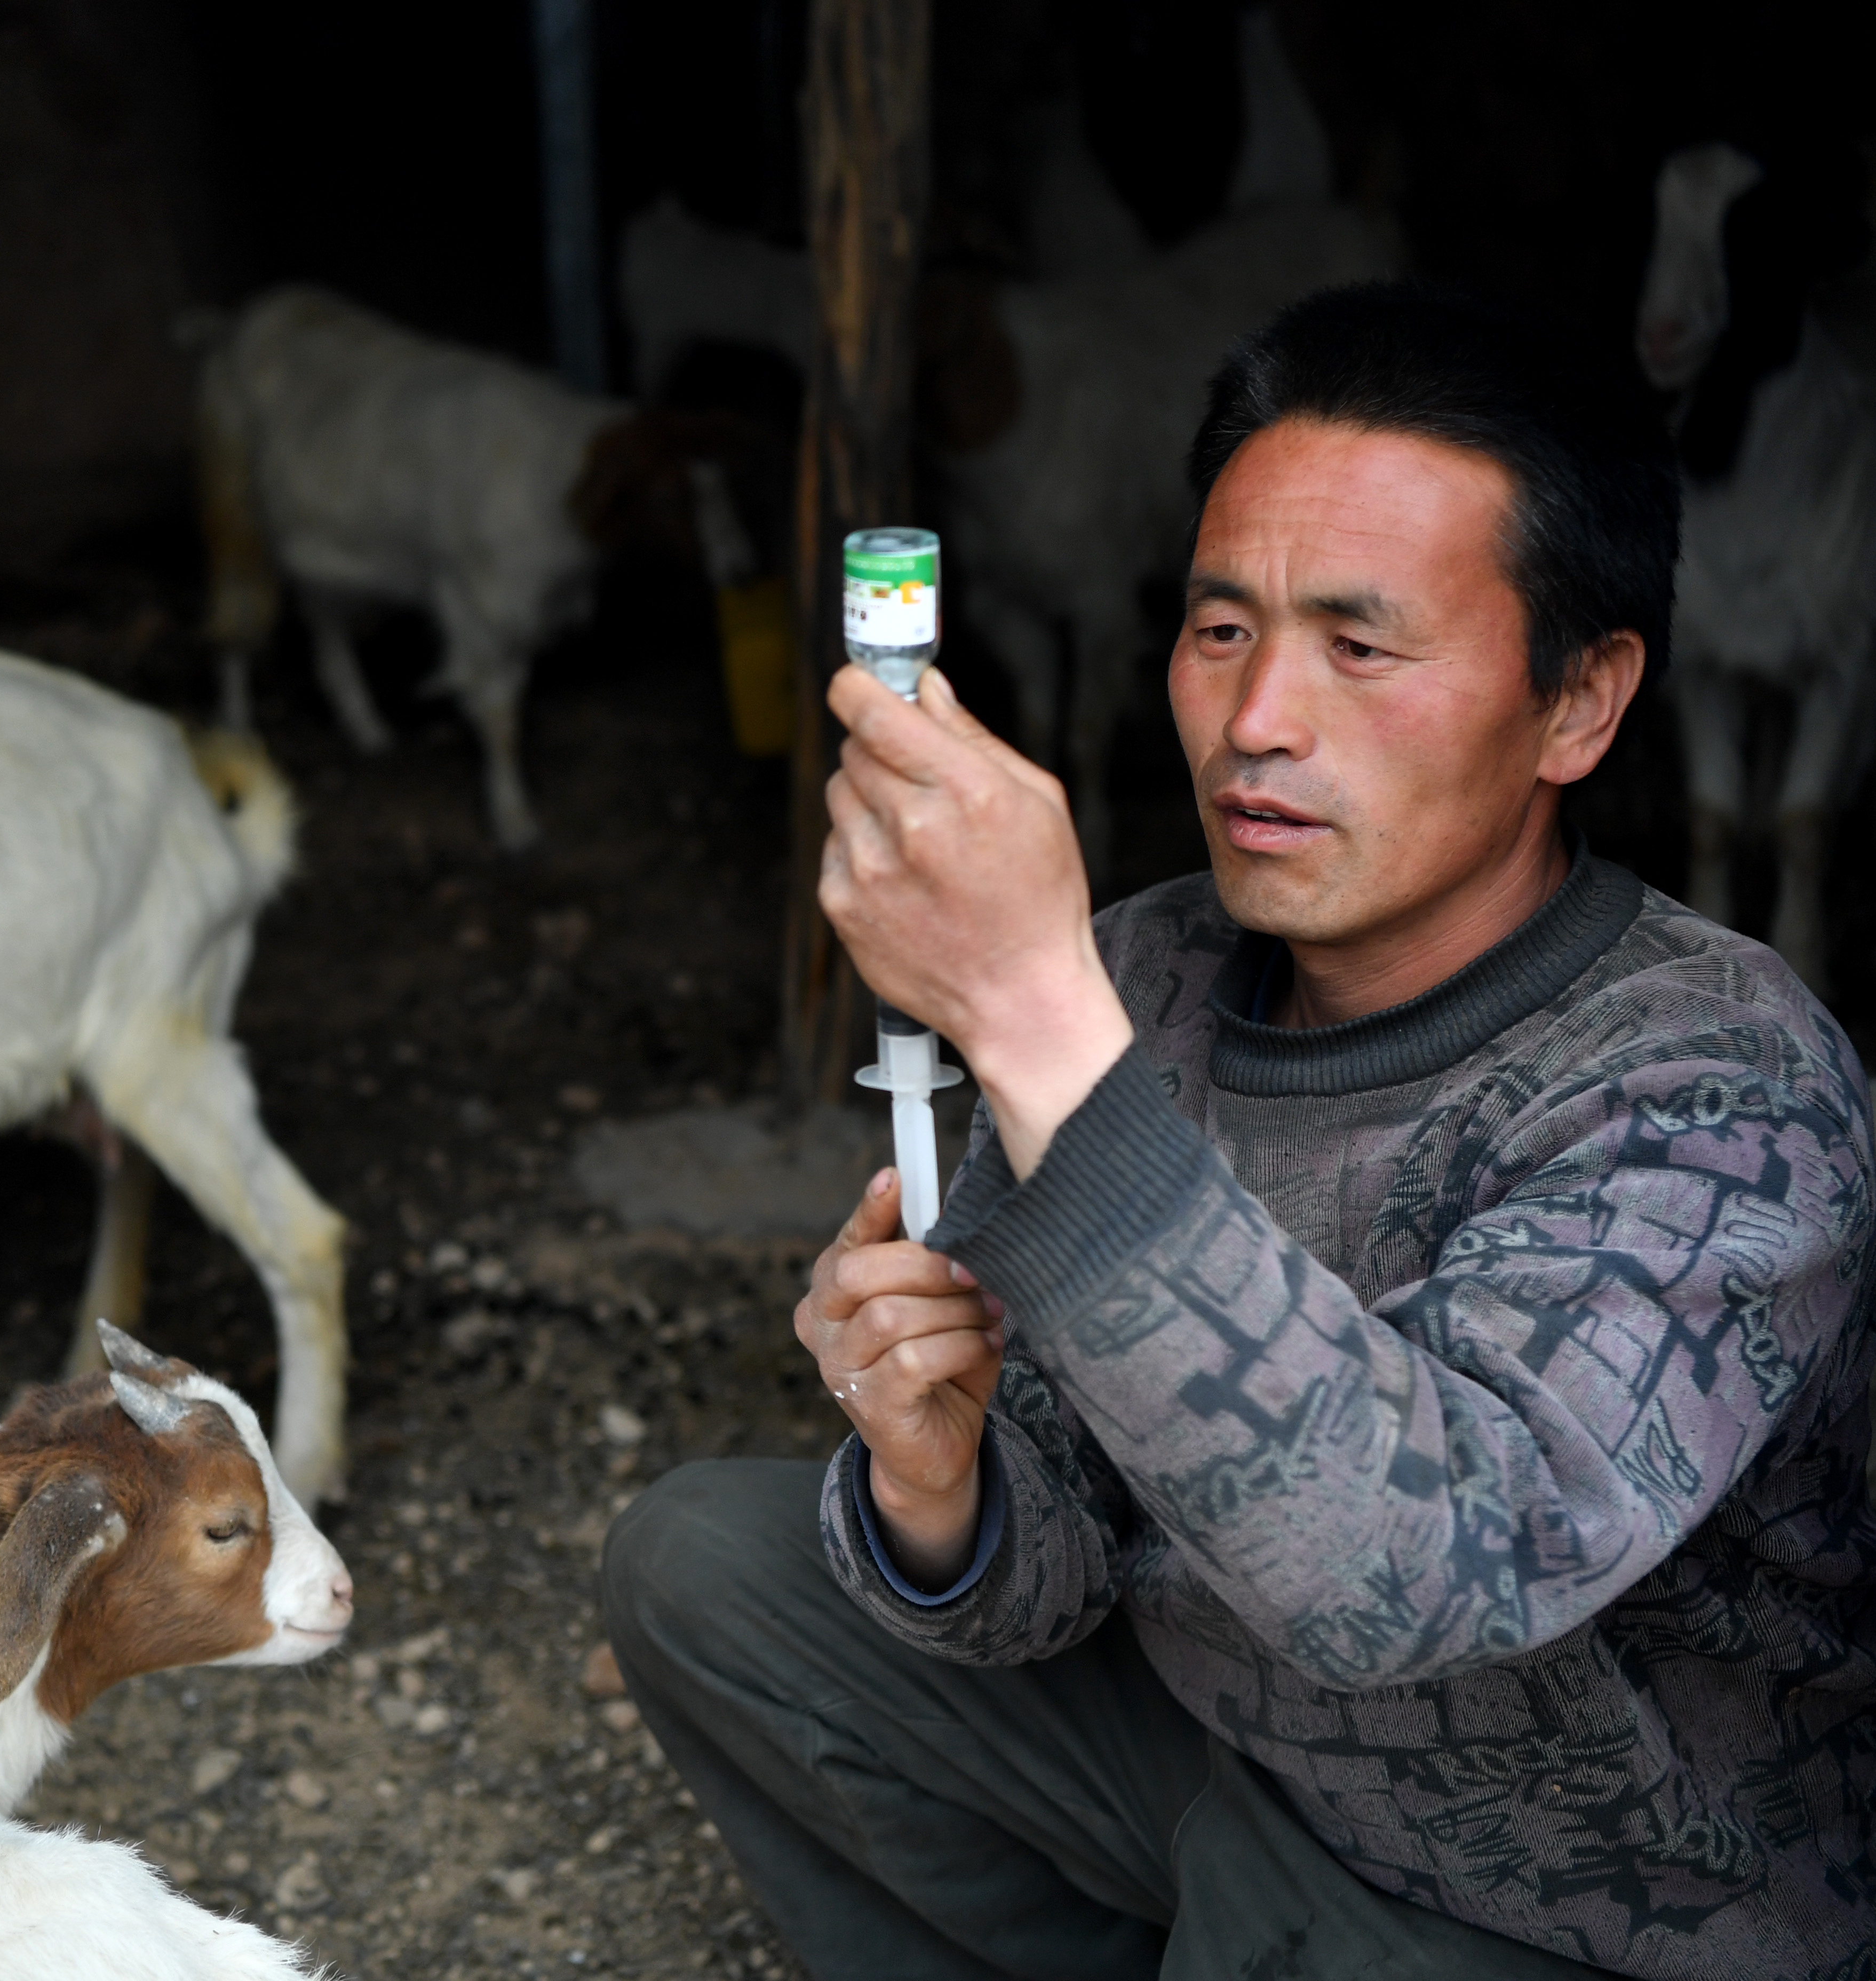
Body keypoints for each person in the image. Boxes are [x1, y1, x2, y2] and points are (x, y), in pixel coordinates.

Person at [602, 283, 1876, 1980]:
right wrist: (942, 1486)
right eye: (1219, 630)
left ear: (1577, 704)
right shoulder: (1143, 968)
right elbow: (1053, 1539)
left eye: (1359, 646)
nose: (1255, 719)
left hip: (1571, 1894)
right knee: (705, 1566)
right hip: (1233, 1752)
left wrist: (1036, 1022)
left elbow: (1421, 1579)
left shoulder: (1718, 1087)